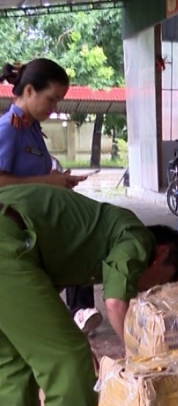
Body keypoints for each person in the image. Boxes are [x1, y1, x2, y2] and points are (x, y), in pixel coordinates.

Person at [0, 184, 178, 406]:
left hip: (11, 245)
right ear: (162, 254)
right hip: (7, 243)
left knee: (14, 361)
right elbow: (114, 303)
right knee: (68, 361)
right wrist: (138, 361)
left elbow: (38, 293)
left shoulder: (99, 235)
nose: (147, 291)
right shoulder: (136, 236)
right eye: (160, 282)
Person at [0, 59, 103, 335]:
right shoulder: (9, 129)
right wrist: (48, 182)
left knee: (83, 234)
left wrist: (58, 180)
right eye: (51, 99)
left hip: (39, 214)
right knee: (77, 241)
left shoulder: (31, 128)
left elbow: (33, 173)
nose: (54, 107)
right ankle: (77, 310)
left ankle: (78, 309)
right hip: (17, 226)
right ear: (29, 91)